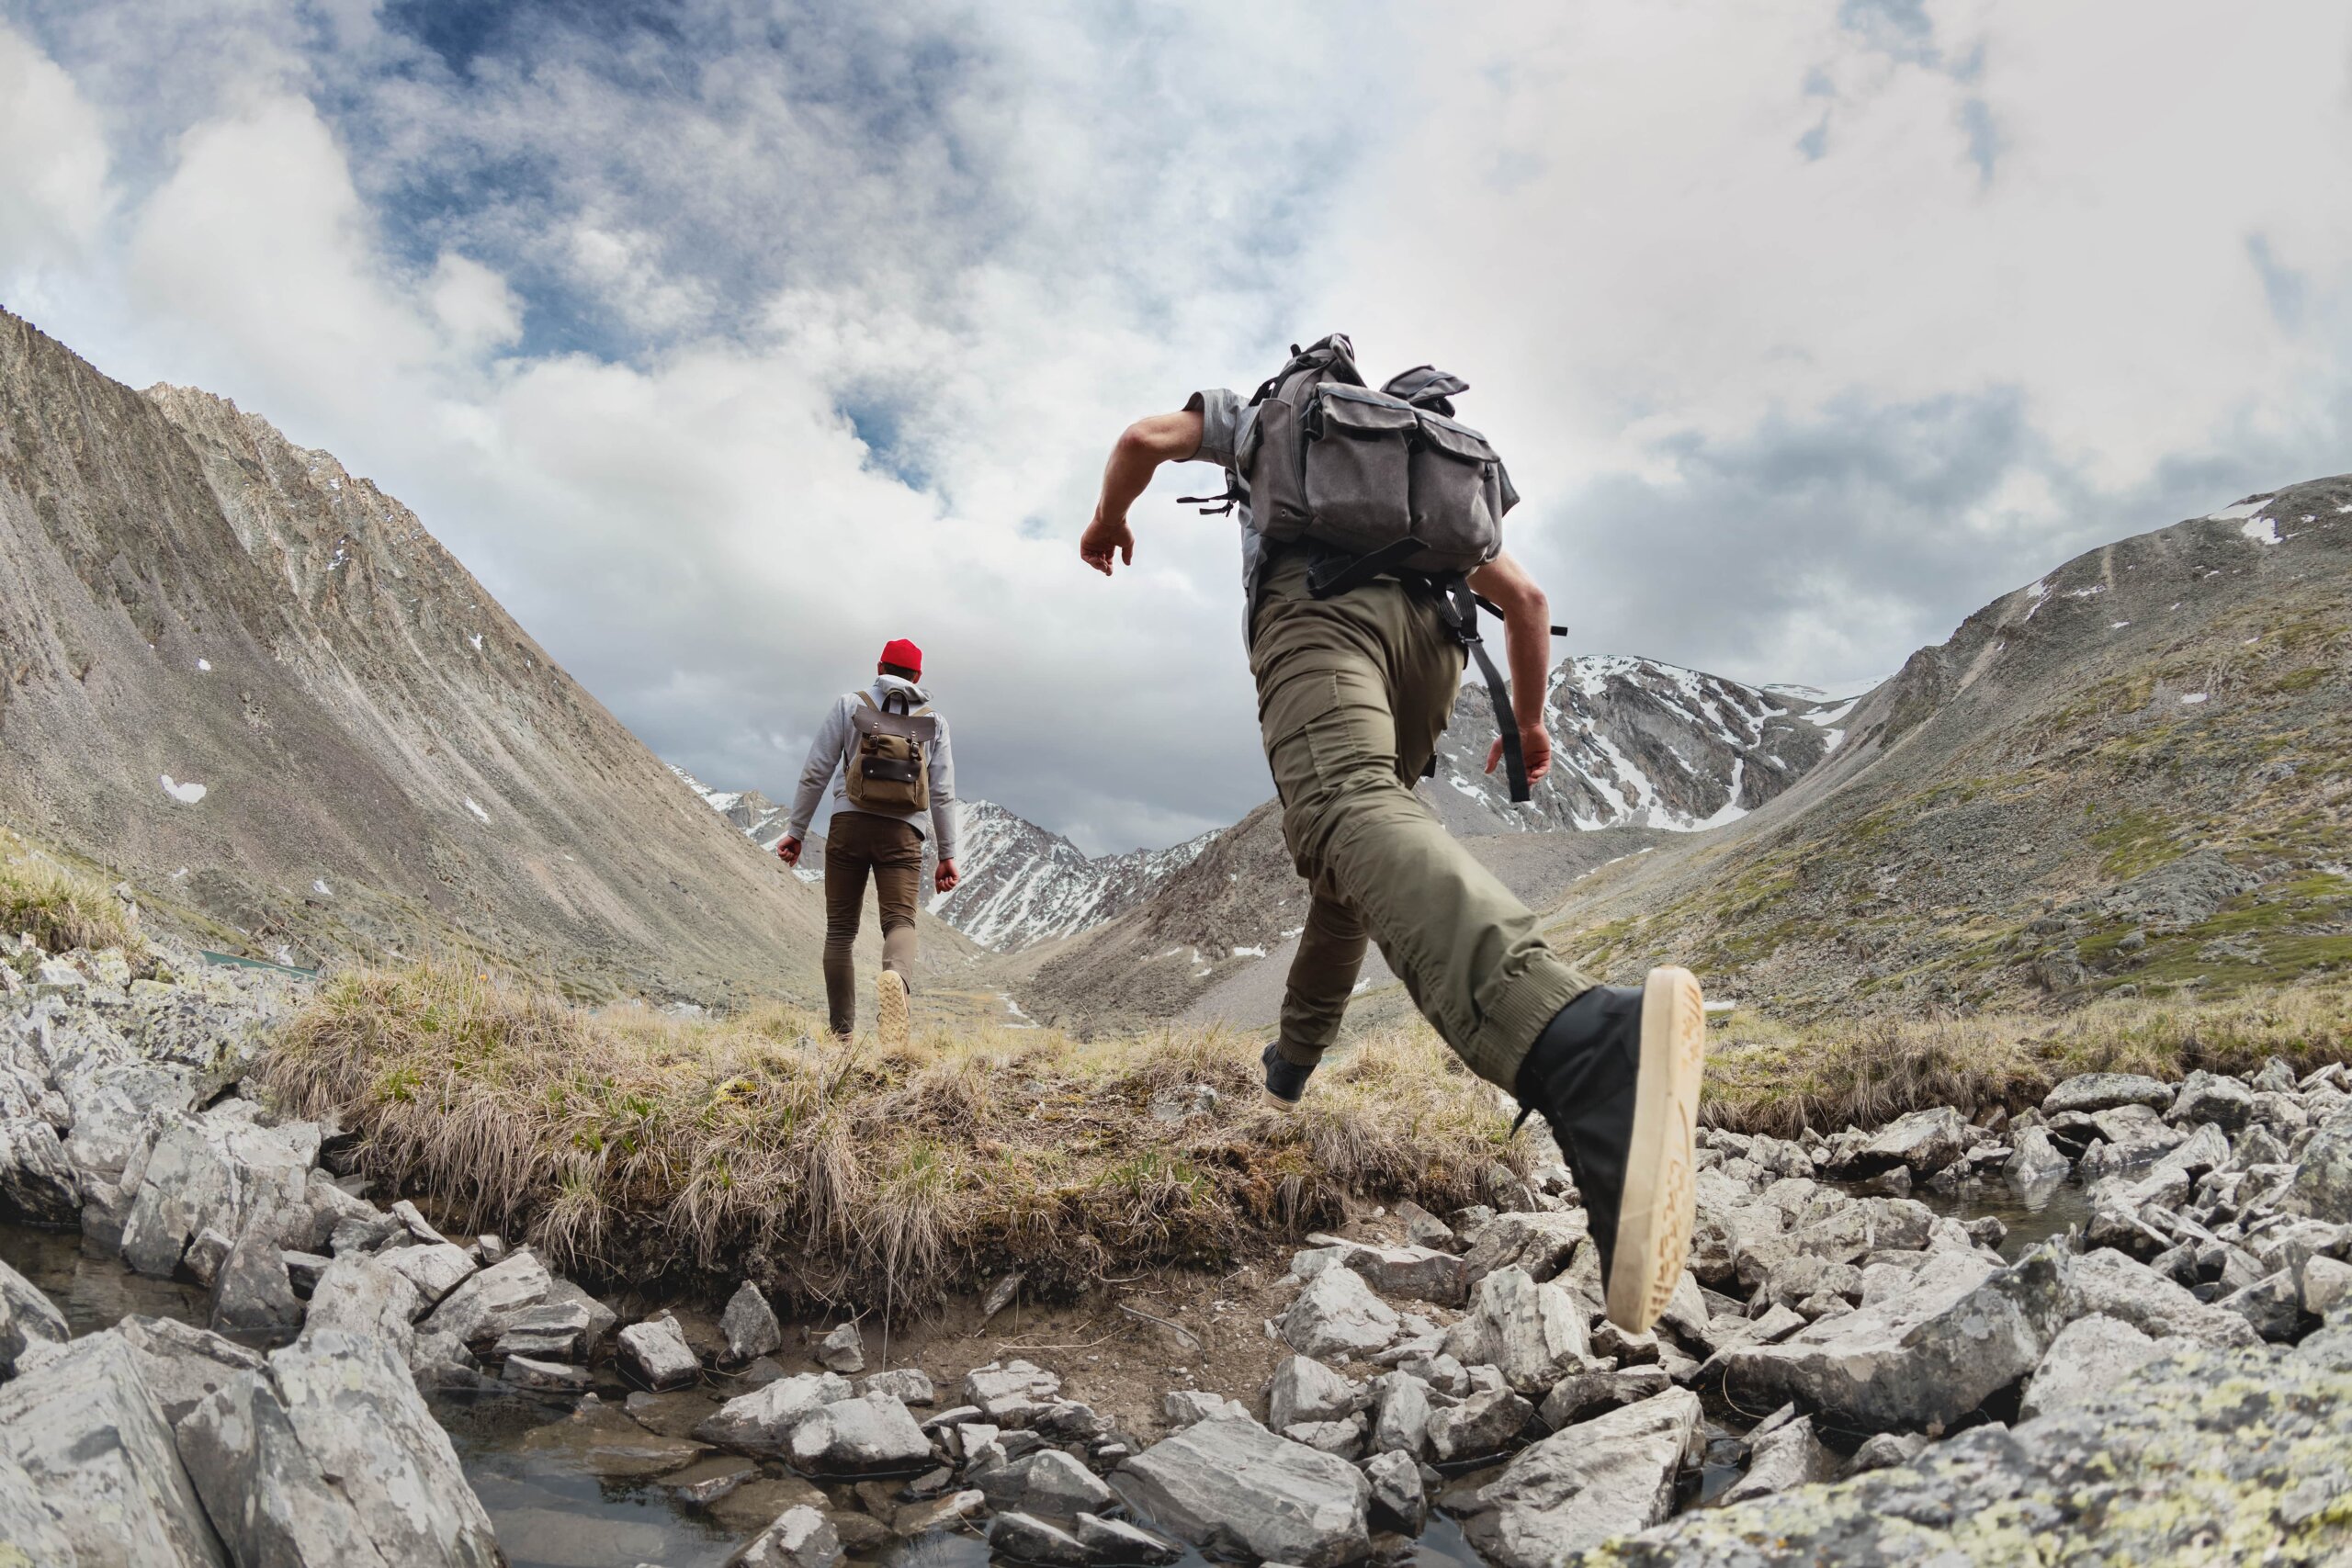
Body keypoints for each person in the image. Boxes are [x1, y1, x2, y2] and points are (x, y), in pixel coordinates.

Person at [1078, 344, 1706, 1332]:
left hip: (1320, 612)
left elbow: (1141, 438)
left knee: (1339, 809)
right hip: (1432, 652)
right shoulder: (1425, 490)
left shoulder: (1268, 419)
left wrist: (1109, 517)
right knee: (1353, 863)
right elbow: (1529, 605)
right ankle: (1288, 1071)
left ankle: (1577, 1040)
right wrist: (1529, 726)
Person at [778, 637, 961, 1047]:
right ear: (918, 676)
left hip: (849, 824)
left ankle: (842, 1037)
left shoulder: (849, 705)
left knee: (841, 932)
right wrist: (948, 855)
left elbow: (816, 771)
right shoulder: (936, 721)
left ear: (879, 666)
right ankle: (895, 976)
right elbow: (944, 794)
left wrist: (797, 830)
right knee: (899, 921)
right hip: (903, 832)